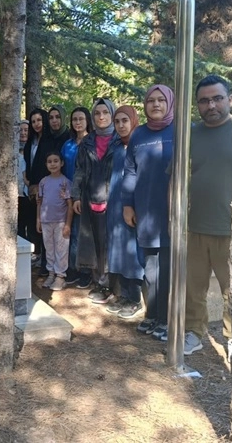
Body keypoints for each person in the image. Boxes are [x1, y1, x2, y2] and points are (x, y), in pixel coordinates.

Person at [183, 75, 232, 356]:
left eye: (217, 98)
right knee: (194, 288)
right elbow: (176, 178)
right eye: (204, 101)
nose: (211, 105)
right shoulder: (190, 135)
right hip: (195, 226)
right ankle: (193, 333)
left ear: (230, 100)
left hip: (231, 228)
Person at [122, 84, 175, 340]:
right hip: (145, 210)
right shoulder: (139, 135)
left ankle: (166, 318)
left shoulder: (180, 131)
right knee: (151, 267)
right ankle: (152, 314)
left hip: (171, 211)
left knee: (168, 266)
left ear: (170, 103)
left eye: (161, 100)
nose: (156, 104)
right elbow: (130, 171)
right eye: (151, 100)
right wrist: (127, 204)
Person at [71, 99, 117, 300]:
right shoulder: (87, 142)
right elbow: (79, 170)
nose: (101, 117)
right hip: (90, 199)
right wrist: (76, 196)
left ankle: (113, 286)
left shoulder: (120, 139)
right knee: (93, 242)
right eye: (97, 113)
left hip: (113, 200)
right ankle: (99, 282)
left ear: (112, 114)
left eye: (105, 112)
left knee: (111, 243)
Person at [103, 105, 146, 319]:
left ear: (133, 121)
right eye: (117, 121)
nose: (121, 125)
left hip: (133, 205)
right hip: (115, 204)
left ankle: (135, 298)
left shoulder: (141, 145)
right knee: (118, 250)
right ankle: (123, 294)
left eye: (124, 121)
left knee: (132, 252)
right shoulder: (116, 146)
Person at [61, 107, 93, 288]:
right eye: (74, 119)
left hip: (85, 195)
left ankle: (85, 271)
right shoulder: (68, 144)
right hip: (67, 195)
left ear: (87, 120)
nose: (78, 122)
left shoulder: (92, 142)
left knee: (83, 234)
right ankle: (71, 268)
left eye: (81, 119)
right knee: (70, 232)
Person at [37, 151, 73, 291]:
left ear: (62, 163)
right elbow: (40, 202)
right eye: (49, 161)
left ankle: (60, 276)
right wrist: (38, 219)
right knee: (49, 249)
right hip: (46, 221)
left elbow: (70, 204)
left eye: (56, 161)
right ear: (46, 164)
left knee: (61, 249)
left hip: (61, 222)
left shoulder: (65, 182)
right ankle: (51, 273)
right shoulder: (43, 182)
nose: (53, 164)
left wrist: (68, 224)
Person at [24, 108, 52, 275]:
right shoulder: (31, 141)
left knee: (45, 224)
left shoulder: (49, 140)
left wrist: (40, 184)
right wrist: (30, 182)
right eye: (33, 121)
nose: (36, 124)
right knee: (35, 224)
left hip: (47, 186)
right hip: (32, 187)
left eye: (39, 120)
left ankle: (47, 263)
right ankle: (39, 256)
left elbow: (48, 164)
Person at [17, 120, 30, 241]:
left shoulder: (34, 148)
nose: (23, 133)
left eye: (26, 130)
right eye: (20, 130)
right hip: (14, 195)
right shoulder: (12, 150)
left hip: (29, 194)